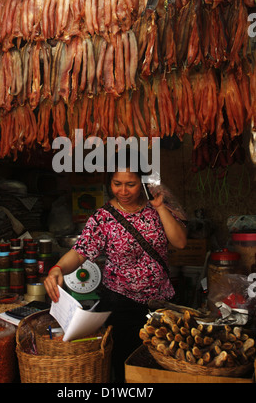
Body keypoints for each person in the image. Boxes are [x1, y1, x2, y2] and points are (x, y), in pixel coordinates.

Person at [44, 149, 187, 381]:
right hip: (122, 306)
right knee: (126, 372)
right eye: (116, 183)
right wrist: (57, 269)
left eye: (130, 184)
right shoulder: (103, 217)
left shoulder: (157, 207)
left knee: (159, 370)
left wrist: (160, 207)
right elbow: (80, 253)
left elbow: (180, 242)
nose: (123, 191)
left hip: (161, 305)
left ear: (142, 182)